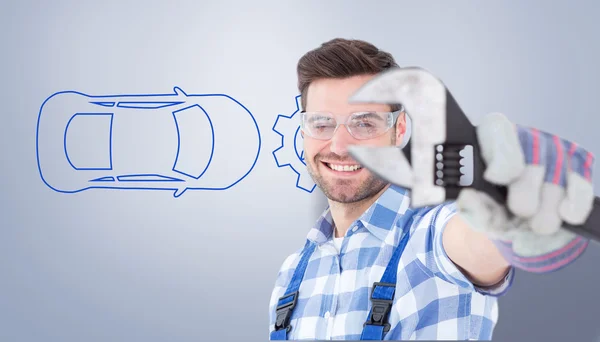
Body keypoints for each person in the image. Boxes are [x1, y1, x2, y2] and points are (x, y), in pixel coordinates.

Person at [268, 38, 595, 340]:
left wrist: (505, 227)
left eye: (364, 123)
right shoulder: (292, 275)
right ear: (303, 130)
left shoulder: (429, 234)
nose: (339, 145)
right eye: (321, 123)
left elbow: (472, 242)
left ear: (400, 130)